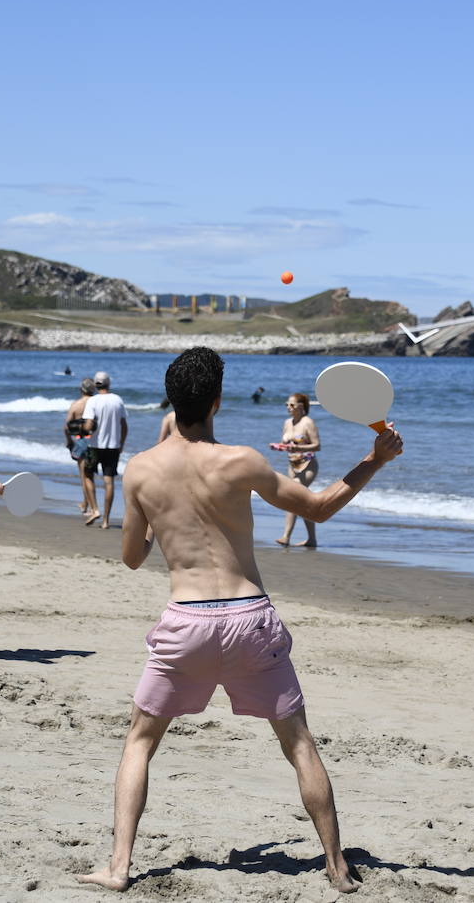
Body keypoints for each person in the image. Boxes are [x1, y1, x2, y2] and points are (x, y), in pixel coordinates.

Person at [74, 347, 402, 895]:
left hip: (189, 621)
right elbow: (318, 508)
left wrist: (157, 518)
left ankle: (119, 867)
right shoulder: (243, 460)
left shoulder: (141, 470)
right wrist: (375, 460)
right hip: (250, 618)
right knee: (298, 743)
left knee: (140, 740)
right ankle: (337, 867)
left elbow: (132, 557)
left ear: (171, 401)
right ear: (218, 402)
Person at [82, 370, 128, 529]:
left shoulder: (93, 401)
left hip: (94, 445)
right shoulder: (117, 400)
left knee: (88, 475)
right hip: (113, 446)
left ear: (95, 384)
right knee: (109, 481)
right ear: (109, 384)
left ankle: (95, 509)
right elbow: (124, 426)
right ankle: (106, 521)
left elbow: (88, 425)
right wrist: (121, 444)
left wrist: (82, 429)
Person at [273, 392, 320, 548]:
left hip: (308, 466)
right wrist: (279, 446)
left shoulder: (308, 423)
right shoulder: (288, 422)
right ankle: (312, 539)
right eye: (286, 404)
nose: (288, 407)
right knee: (304, 501)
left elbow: (317, 445)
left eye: (292, 405)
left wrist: (298, 447)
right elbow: (286, 443)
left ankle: (286, 536)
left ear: (301, 406)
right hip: (292, 465)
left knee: (292, 497)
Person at [65, 378, 98, 519]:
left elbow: (67, 426)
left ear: (81, 389)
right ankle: (86, 503)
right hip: (94, 441)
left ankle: (90, 507)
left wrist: (69, 441)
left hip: (80, 439)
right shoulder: (97, 403)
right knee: (90, 475)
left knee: (83, 476)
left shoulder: (76, 405)